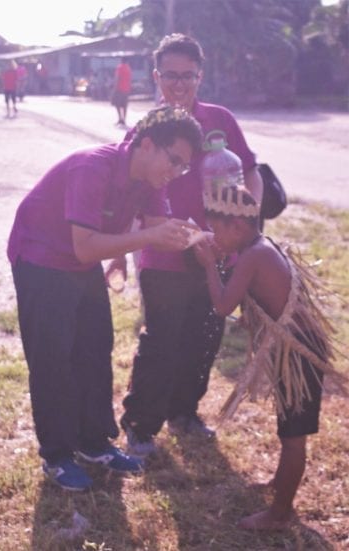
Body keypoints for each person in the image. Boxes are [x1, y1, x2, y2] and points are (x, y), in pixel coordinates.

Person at [7, 106, 203, 492]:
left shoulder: (150, 180)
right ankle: (58, 455)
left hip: (80, 265)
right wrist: (146, 239)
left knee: (95, 348)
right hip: (41, 257)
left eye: (184, 166)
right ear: (146, 144)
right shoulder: (92, 167)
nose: (177, 172)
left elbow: (154, 225)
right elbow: (85, 247)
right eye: (174, 160)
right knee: (53, 358)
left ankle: (94, 442)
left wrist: (198, 235)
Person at [119, 33, 263, 456]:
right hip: (163, 251)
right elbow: (129, 189)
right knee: (162, 339)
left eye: (188, 76)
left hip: (219, 251)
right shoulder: (147, 129)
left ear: (200, 76)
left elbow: (251, 172)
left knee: (205, 335)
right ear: (157, 77)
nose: (179, 85)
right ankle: (142, 424)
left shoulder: (220, 119)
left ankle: (185, 413)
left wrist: (246, 217)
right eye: (170, 76)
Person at [194, 184, 343, 530]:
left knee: (294, 438)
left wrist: (208, 266)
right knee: (287, 429)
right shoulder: (258, 247)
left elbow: (222, 305)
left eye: (217, 229)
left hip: (300, 351)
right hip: (293, 347)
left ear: (238, 227)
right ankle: (280, 486)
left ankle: (280, 514)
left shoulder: (253, 256)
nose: (214, 236)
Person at [111, 57, 132, 126]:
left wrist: (114, 89)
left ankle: (120, 118)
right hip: (127, 89)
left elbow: (117, 78)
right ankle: (124, 119)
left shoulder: (119, 68)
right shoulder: (128, 68)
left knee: (118, 104)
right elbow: (130, 79)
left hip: (119, 89)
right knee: (125, 105)